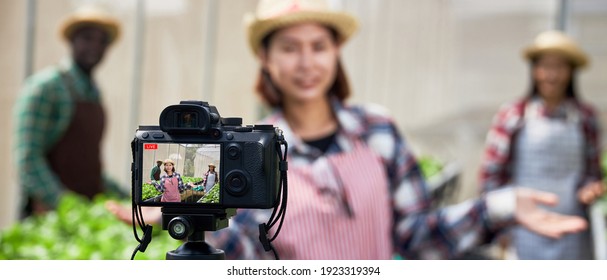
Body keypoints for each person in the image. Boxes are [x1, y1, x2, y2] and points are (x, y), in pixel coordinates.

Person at [106, 0, 588, 260]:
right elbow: (254, 253)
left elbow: (417, 235)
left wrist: (499, 206)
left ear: (336, 54)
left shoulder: (377, 131)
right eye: (289, 48)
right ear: (267, 60)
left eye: (319, 46)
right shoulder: (255, 150)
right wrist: (191, 217)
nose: (306, 62)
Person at [479, 30, 605, 259]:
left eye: (560, 67)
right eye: (545, 67)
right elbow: (491, 177)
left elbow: (591, 172)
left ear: (571, 72)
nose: (552, 75)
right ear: (534, 71)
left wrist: (589, 188)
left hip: (572, 229)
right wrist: (500, 229)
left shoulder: (586, 118)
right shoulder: (513, 115)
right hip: (523, 230)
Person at [13, 4, 127, 218]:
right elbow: (28, 160)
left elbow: (88, 165)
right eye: (87, 37)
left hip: (86, 212)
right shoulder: (45, 88)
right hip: (47, 218)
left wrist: (128, 199)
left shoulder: (93, 93)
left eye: (102, 41)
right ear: (72, 40)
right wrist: (68, 207)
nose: (95, 46)